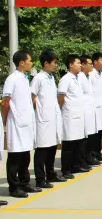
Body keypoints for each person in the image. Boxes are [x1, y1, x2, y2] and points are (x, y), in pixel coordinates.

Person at [2, 51, 40, 198]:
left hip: (26, 122)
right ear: (22, 62)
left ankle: (25, 183)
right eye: (29, 60)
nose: (31, 63)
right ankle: (14, 187)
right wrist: (4, 120)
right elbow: (6, 101)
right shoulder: (12, 79)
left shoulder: (25, 78)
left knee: (25, 155)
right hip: (16, 122)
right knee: (15, 157)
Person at [30, 50, 65, 189]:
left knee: (52, 147)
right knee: (42, 149)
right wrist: (39, 111)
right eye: (54, 62)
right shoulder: (38, 78)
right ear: (46, 63)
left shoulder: (50, 78)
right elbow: (33, 97)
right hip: (43, 118)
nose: (56, 65)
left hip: (52, 118)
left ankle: (50, 173)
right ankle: (40, 178)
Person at [58, 54, 88, 179]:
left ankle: (76, 165)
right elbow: (61, 97)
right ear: (71, 65)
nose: (80, 65)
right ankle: (66, 169)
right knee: (69, 145)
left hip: (78, 115)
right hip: (69, 116)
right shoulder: (66, 79)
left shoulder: (77, 78)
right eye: (78, 63)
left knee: (78, 143)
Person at [78, 55, 100, 168]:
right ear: (83, 65)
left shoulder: (89, 76)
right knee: (84, 139)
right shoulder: (80, 77)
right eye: (90, 64)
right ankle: (83, 160)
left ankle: (89, 157)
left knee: (91, 137)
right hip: (84, 111)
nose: (92, 65)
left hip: (91, 110)